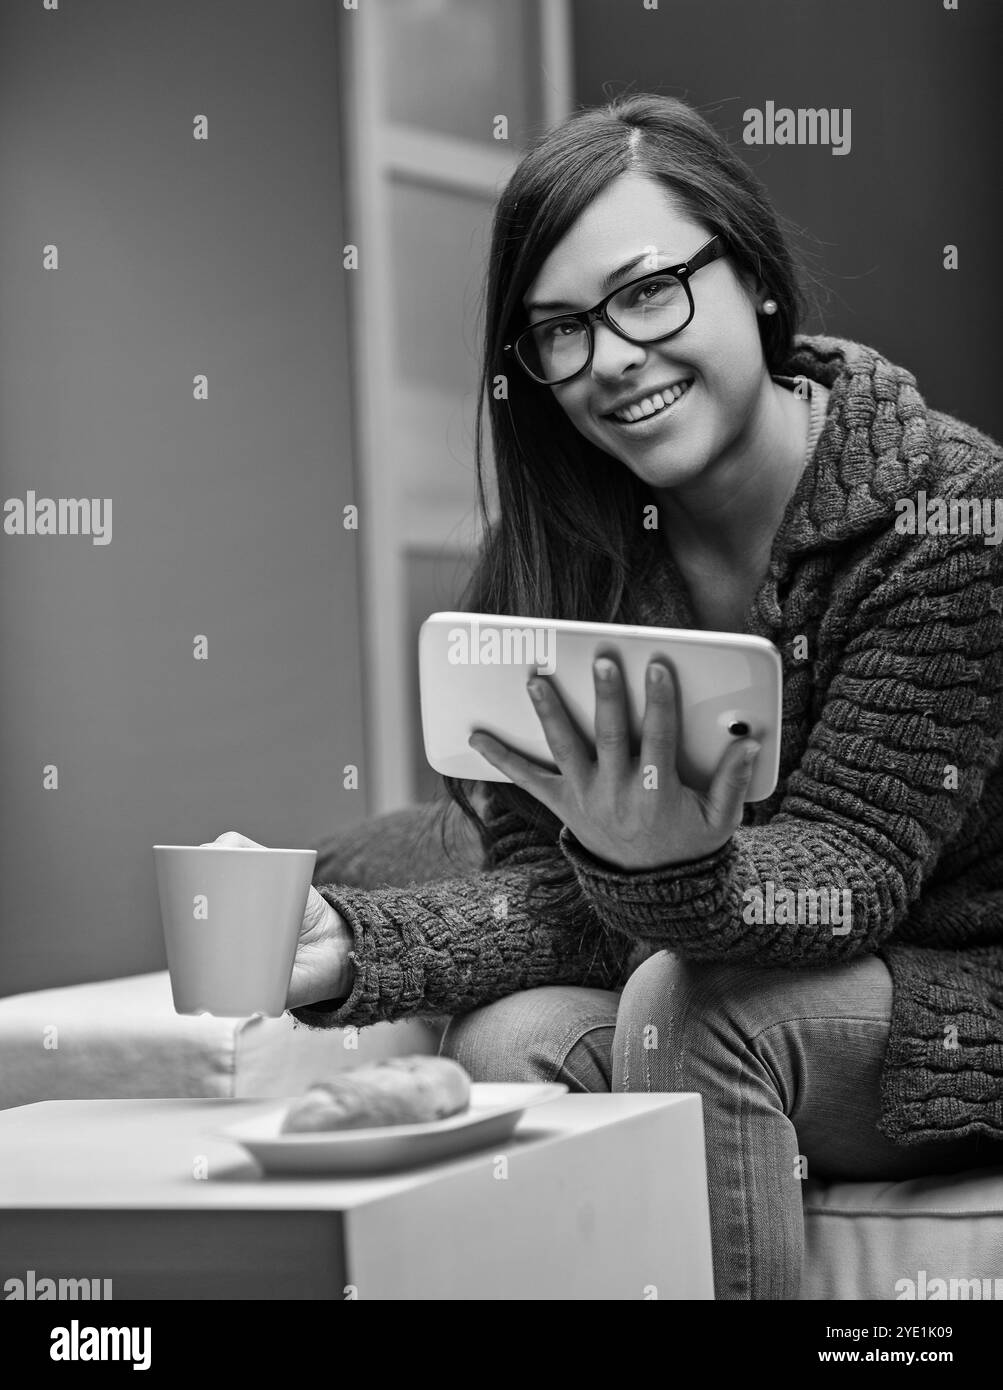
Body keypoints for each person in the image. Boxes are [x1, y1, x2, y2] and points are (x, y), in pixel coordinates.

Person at [208, 94, 1003, 1299]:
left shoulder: (947, 516)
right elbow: (567, 898)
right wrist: (348, 953)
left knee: (695, 1007)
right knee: (505, 1038)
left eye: (647, 292)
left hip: (948, 992)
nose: (612, 360)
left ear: (753, 278)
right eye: (560, 330)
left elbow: (849, 877)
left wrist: (669, 873)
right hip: (712, 955)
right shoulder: (558, 564)